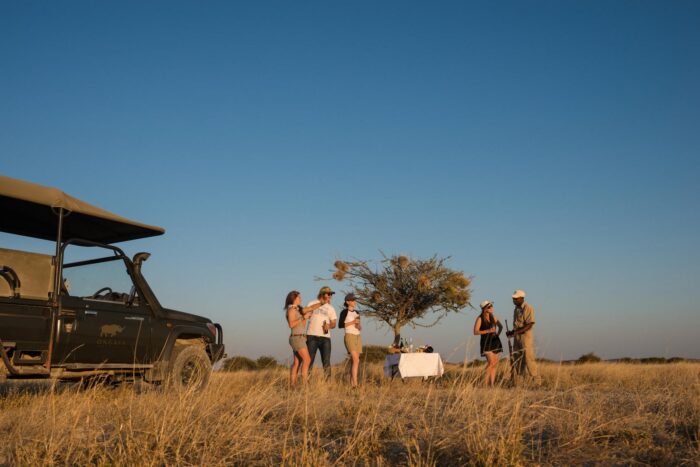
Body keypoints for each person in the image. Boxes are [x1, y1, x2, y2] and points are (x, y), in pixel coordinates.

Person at [285, 290, 322, 387]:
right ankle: (305, 384)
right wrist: (303, 317)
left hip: (300, 338)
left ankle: (293, 385)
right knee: (307, 360)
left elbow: (310, 308)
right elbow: (291, 324)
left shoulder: (298, 310)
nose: (301, 299)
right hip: (297, 338)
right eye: (299, 297)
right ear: (294, 299)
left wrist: (322, 302)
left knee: (297, 362)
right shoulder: (291, 310)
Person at [506, 290, 541, 385]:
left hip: (526, 338)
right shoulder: (516, 309)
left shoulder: (528, 308)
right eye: (513, 298)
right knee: (517, 358)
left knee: (528, 358)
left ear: (522, 298)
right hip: (517, 338)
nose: (514, 300)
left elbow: (529, 324)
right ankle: (520, 382)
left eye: (516, 298)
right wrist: (511, 332)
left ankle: (537, 381)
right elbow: (517, 325)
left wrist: (516, 332)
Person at [306, 286, 337, 380]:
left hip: (325, 337)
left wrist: (329, 326)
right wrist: (321, 303)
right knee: (309, 361)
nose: (330, 296)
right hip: (312, 336)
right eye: (328, 294)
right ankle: (307, 381)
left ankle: (327, 383)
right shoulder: (312, 303)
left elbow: (334, 323)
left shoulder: (331, 308)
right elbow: (306, 314)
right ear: (322, 294)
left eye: (331, 294)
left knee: (326, 361)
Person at [473, 300, 503, 387]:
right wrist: (488, 331)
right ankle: (485, 384)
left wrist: (497, 334)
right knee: (491, 363)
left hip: (495, 341)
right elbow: (475, 331)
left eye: (492, 306)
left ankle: (492, 385)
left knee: (495, 364)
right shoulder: (480, 318)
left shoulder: (493, 317)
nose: (491, 308)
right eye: (489, 307)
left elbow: (501, 326)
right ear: (484, 309)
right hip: (486, 342)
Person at [341, 293, 362, 387]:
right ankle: (355, 384)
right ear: (347, 302)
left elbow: (359, 326)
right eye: (352, 300)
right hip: (349, 336)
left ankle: (351, 384)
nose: (354, 302)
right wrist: (353, 322)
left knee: (355, 361)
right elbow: (341, 325)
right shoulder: (344, 312)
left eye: (355, 300)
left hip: (358, 336)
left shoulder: (357, 312)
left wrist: (358, 325)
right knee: (356, 360)